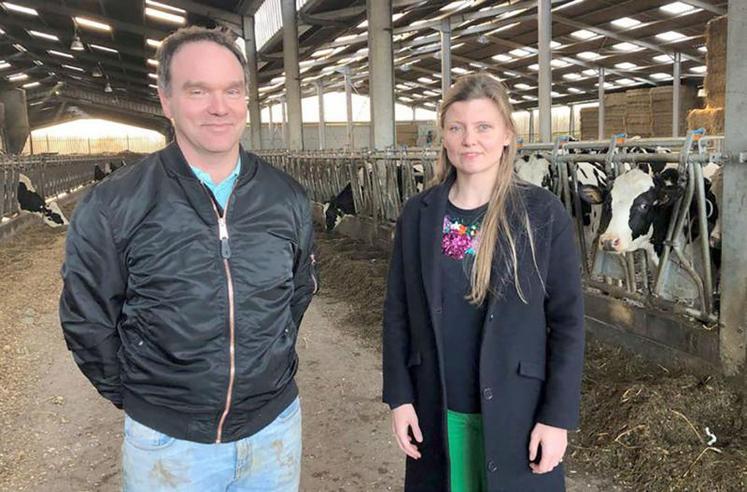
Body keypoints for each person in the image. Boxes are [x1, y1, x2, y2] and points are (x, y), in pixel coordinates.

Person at [59, 26, 317, 491]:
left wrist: (268, 367)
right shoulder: (114, 204)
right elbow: (87, 317)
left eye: (232, 90)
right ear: (166, 100)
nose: (220, 107)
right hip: (168, 445)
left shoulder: (286, 197)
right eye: (198, 91)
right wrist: (146, 398)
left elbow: (296, 293)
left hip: (274, 431)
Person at [382, 73, 585, 492]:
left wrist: (557, 417)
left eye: (483, 127)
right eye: (456, 128)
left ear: (508, 134)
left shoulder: (541, 214)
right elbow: (397, 311)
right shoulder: (419, 214)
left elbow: (567, 323)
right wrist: (399, 398)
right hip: (437, 407)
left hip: (519, 412)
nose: (469, 140)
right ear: (443, 135)